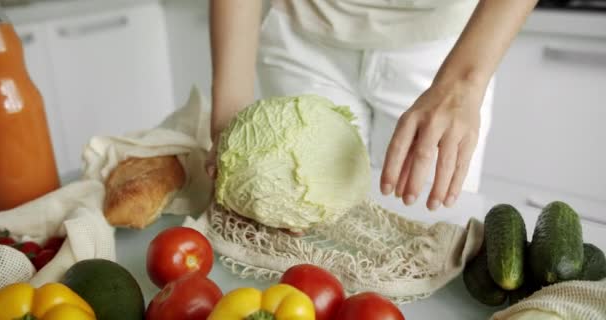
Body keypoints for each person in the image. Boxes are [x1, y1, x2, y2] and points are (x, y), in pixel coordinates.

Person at [205, 0, 538, 211]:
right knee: (303, 231)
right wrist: (229, 114)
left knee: (429, 228)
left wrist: (462, 84)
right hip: (302, 36)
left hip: (445, 47)